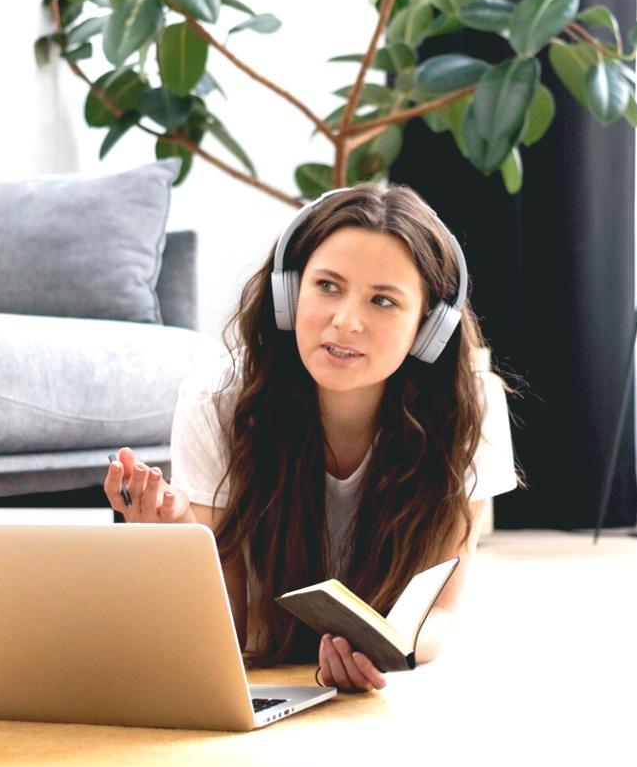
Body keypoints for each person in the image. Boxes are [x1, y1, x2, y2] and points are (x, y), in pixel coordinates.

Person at [105, 183, 520, 693]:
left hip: (383, 672)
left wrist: (387, 649)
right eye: (327, 286)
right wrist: (175, 532)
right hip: (262, 666)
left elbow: (438, 610)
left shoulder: (471, 407)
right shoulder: (216, 400)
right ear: (289, 294)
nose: (346, 321)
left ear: (428, 329)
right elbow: (225, 629)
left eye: (383, 301)